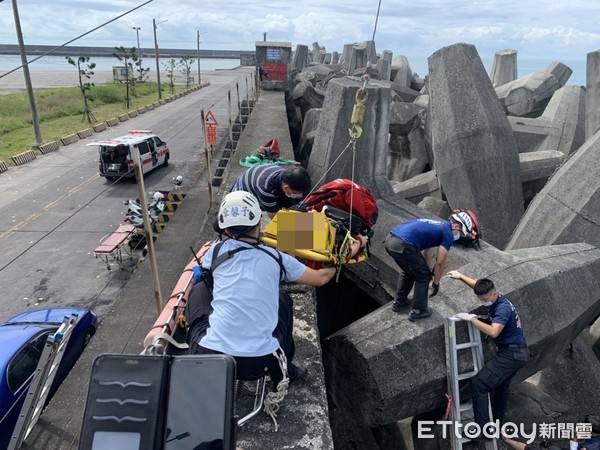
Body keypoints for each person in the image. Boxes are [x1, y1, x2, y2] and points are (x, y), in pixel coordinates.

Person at [186, 190, 336, 388]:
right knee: (282, 300)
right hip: (260, 363)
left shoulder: (215, 252)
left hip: (211, 359)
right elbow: (320, 278)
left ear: (227, 231)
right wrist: (336, 262)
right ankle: (284, 370)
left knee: (199, 289)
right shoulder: (277, 257)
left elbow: (205, 275)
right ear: (259, 222)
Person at [448, 270, 529, 437]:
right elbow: (478, 285)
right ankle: (497, 423)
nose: (483, 302)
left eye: (485, 300)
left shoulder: (503, 309)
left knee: (479, 383)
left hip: (512, 354)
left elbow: (493, 332)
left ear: (493, 294)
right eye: (481, 299)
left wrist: (472, 319)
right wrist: (461, 276)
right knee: (501, 387)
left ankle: (482, 431)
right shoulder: (495, 296)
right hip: (517, 353)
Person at [384, 212, 474, 321]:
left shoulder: (437, 225)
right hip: (403, 244)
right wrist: (435, 282)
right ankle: (419, 311)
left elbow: (428, 251)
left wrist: (427, 269)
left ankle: (399, 302)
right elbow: (440, 262)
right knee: (423, 277)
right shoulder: (448, 234)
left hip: (391, 240)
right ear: (456, 226)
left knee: (409, 271)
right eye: (461, 233)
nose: (459, 236)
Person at [231, 165, 311, 218]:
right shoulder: (265, 188)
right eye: (297, 193)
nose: (299, 195)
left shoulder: (287, 176)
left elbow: (301, 201)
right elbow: (274, 217)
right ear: (286, 188)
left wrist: (306, 210)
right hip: (242, 198)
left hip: (263, 186)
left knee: (293, 207)